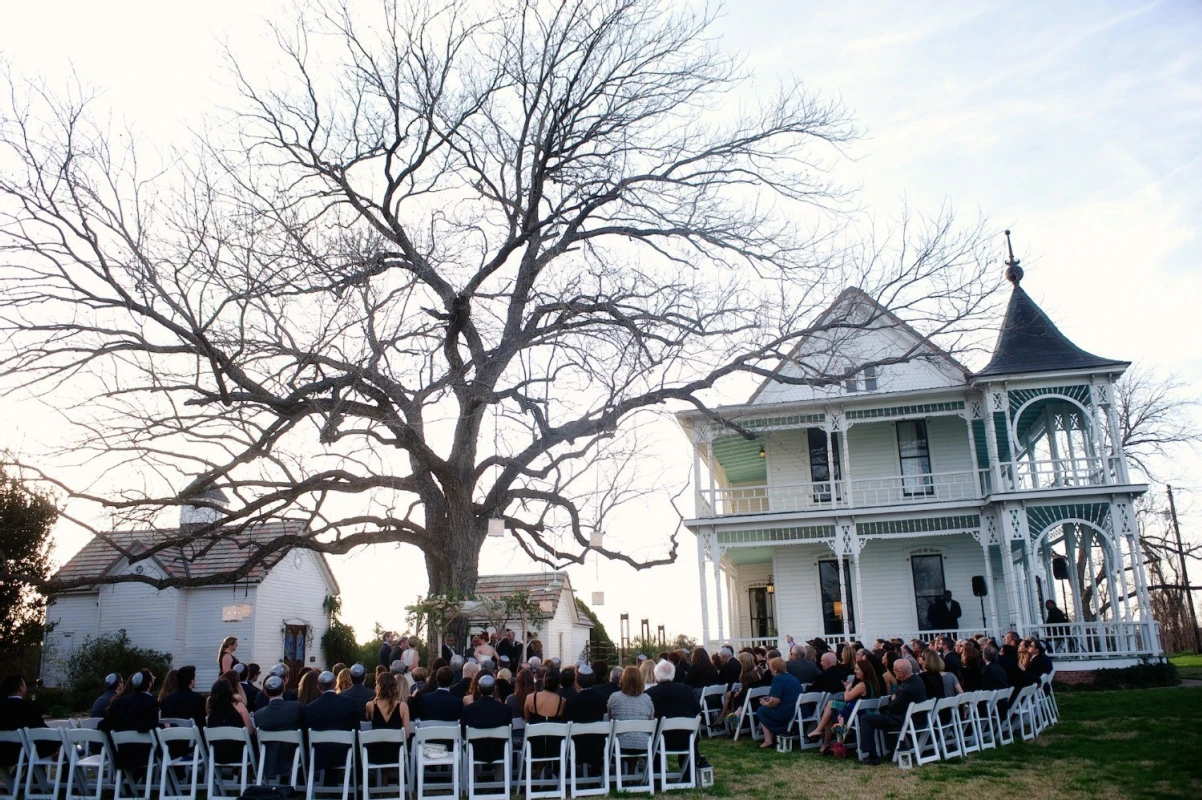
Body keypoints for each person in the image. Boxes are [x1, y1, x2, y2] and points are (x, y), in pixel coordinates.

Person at [858, 658, 927, 766]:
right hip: (914, 718)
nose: (893, 672)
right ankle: (891, 749)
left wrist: (892, 699)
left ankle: (872, 756)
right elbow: (895, 695)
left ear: (901, 674)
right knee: (881, 717)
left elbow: (893, 707)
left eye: (895, 671)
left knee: (866, 719)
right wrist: (894, 697)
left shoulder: (907, 688)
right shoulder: (916, 680)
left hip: (904, 720)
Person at [807, 659, 881, 752]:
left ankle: (820, 734)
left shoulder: (862, 685)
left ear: (864, 670)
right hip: (865, 712)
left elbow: (847, 698)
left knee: (830, 706)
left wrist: (848, 688)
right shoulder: (874, 683)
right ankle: (824, 741)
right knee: (831, 707)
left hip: (856, 715)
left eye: (857, 669)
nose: (855, 671)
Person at [101, 669, 161, 772]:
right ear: (150, 684)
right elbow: (147, 727)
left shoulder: (119, 702)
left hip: (122, 755)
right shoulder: (151, 702)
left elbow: (103, 725)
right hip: (144, 756)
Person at [647, 660, 705, 765]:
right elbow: (698, 709)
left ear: (656, 676)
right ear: (673, 675)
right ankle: (688, 772)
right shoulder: (687, 690)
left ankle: (657, 769)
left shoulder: (650, 694)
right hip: (687, 738)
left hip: (660, 740)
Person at [253, 674, 307, 783]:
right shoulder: (296, 707)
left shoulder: (259, 715)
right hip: (292, 756)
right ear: (284, 689)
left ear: (265, 692)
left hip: (268, 759)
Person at [305, 671, 359, 777]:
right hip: (345, 753)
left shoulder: (310, 708)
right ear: (335, 684)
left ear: (318, 687)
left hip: (319, 754)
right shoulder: (348, 703)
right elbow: (356, 729)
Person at [1, 674, 55, 768]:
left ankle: (25, 778)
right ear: (21, 688)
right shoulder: (28, 708)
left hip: (3, 754)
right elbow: (42, 730)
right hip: (23, 753)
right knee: (63, 749)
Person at [206, 677, 256, 765]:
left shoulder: (211, 710)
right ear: (230, 691)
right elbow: (250, 731)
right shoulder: (239, 706)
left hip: (217, 755)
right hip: (240, 754)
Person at [460, 674, 509, 763]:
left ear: (478, 688)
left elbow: (463, 733)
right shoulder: (505, 709)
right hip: (498, 751)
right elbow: (509, 731)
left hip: (475, 751)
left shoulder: (469, 709)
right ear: (494, 689)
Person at [754, 658, 802, 749]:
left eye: (770, 667)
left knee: (761, 710)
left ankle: (768, 740)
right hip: (795, 709)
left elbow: (774, 702)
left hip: (786, 712)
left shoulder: (778, 679)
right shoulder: (792, 677)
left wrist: (765, 703)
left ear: (775, 669)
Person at [363, 672, 411, 763]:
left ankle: (384, 777)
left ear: (378, 685)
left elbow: (369, 719)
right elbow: (407, 734)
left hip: (376, 754)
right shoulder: (402, 706)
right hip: (397, 753)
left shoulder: (370, 705)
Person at [607, 667, 654, 752]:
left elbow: (610, 719)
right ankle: (631, 765)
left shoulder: (615, 697)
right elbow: (651, 721)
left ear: (623, 679)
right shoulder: (647, 699)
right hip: (643, 744)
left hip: (620, 744)